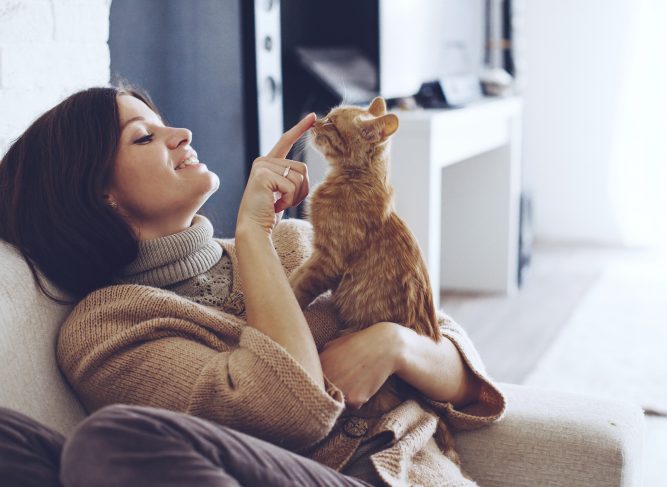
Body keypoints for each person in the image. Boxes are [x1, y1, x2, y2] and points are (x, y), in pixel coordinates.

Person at [0, 84, 506, 486]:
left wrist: (392, 345)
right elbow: (292, 409)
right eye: (143, 137)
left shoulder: (295, 242)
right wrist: (252, 233)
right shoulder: (108, 327)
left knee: (105, 441)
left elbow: (466, 379)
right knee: (77, 441)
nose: (181, 133)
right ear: (100, 194)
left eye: (163, 124)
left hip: (402, 476)